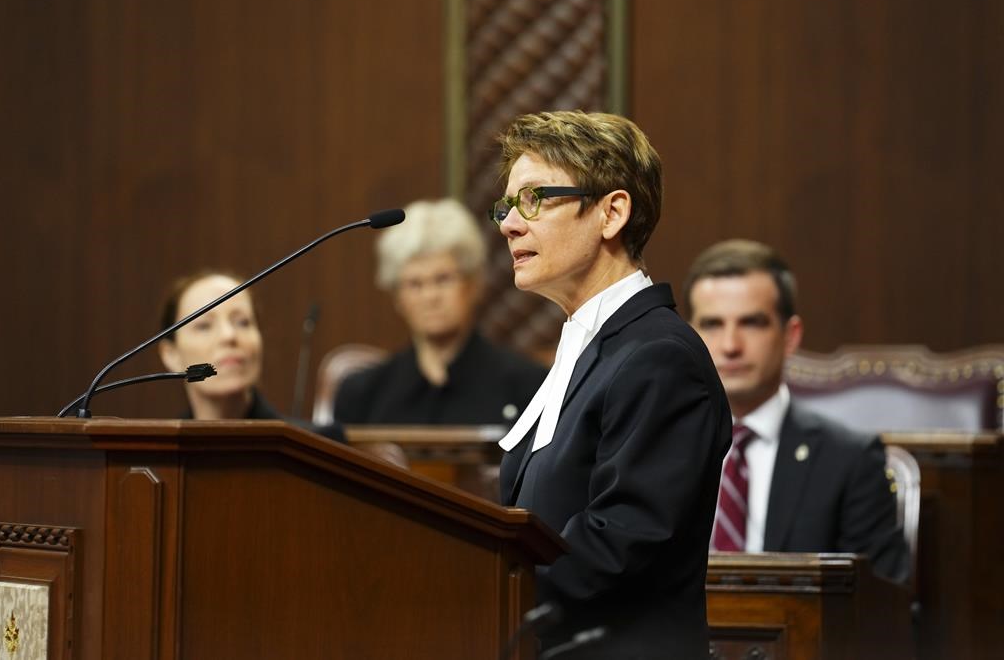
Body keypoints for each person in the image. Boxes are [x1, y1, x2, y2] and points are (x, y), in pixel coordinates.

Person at [492, 111, 731, 659]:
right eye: (506, 206)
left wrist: (482, 590)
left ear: (611, 212)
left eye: (533, 200)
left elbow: (618, 541)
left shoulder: (659, 358)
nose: (509, 224)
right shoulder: (593, 347)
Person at [683, 239, 909, 583]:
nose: (730, 345)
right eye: (712, 324)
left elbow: (875, 612)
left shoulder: (850, 461)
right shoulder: (655, 446)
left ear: (790, 336)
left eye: (752, 323)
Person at [333, 198, 546, 426]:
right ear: (397, 297)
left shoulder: (528, 386)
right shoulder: (362, 395)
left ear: (473, 285)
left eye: (443, 279)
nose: (430, 296)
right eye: (415, 284)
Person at [158, 269, 345, 442]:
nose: (229, 336)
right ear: (170, 355)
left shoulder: (318, 443)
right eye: (204, 326)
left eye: (243, 322)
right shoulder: (159, 449)